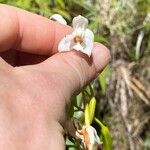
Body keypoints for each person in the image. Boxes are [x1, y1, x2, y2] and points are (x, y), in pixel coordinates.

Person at [0, 4, 110, 150]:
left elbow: (83, 47)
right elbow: (66, 44)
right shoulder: (70, 39)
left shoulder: (84, 38)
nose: (77, 39)